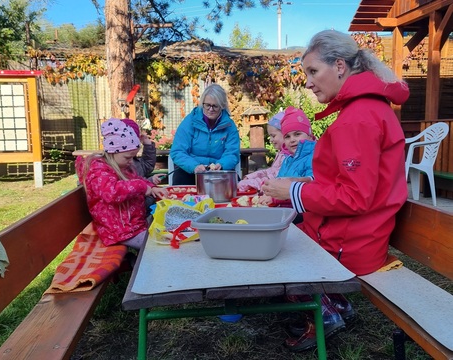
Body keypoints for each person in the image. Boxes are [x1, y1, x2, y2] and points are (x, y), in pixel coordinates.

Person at [262, 30, 409, 351]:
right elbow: (349, 184)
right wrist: (296, 185)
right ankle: (336, 305)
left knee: (279, 254)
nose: (309, 82)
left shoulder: (357, 118)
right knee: (283, 236)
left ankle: (325, 316)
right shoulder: (366, 109)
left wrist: (293, 192)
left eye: (313, 71)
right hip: (360, 233)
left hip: (351, 243)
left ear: (340, 66)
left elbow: (354, 197)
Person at [75, 118, 168, 250]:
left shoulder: (123, 166)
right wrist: (142, 187)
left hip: (131, 226)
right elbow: (111, 193)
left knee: (163, 233)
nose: (131, 161)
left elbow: (138, 179)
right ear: (113, 152)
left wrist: (152, 187)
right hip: (118, 232)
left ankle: (137, 263)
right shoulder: (98, 170)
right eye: (128, 157)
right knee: (157, 246)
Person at [170, 83, 240, 185]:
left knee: (236, 184)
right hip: (191, 170)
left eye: (215, 106)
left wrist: (221, 164)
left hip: (219, 171)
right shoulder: (190, 121)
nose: (210, 109)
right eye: (207, 105)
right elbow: (178, 151)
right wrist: (194, 166)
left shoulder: (230, 126)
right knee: (180, 177)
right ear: (202, 103)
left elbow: (232, 154)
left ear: (222, 106)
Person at [237, 111, 286, 192]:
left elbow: (275, 179)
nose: (270, 140)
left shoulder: (287, 157)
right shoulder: (281, 153)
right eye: (270, 136)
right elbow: (270, 171)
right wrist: (251, 176)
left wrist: (251, 183)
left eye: (273, 136)